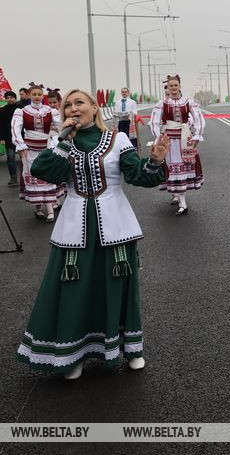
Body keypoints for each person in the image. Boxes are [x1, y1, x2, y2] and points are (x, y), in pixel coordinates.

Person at [16, 89, 168, 380]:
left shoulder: (117, 139)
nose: (73, 108)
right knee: (74, 289)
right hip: (74, 228)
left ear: (95, 108)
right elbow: (43, 170)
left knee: (117, 287)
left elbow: (137, 176)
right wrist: (64, 140)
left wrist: (155, 161)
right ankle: (72, 354)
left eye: (79, 103)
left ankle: (130, 349)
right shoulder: (61, 143)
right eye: (68, 105)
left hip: (115, 226)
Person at [148, 75, 205, 215]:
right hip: (169, 140)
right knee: (173, 169)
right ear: (167, 87)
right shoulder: (162, 103)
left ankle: (182, 202)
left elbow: (199, 118)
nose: (173, 88)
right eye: (171, 86)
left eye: (175, 85)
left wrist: (197, 135)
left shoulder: (188, 102)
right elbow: (154, 121)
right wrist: (158, 138)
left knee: (182, 168)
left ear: (179, 86)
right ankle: (181, 201)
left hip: (185, 139)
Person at [11, 84, 62, 221]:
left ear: (42, 95)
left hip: (46, 149)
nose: (37, 97)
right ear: (29, 95)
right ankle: (38, 208)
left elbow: (61, 127)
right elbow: (15, 129)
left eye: (39, 94)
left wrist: (60, 142)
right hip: (29, 150)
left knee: (46, 176)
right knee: (34, 177)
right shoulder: (22, 111)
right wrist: (20, 145)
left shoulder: (50, 111)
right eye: (34, 94)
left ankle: (50, 210)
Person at [1, 90, 20, 186]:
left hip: (21, 137)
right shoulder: (2, 110)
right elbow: (1, 125)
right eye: (7, 98)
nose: (9, 99)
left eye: (11, 97)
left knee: (24, 159)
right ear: (5, 99)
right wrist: (1, 137)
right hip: (9, 138)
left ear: (15, 98)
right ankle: (13, 178)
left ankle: (26, 178)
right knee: (10, 157)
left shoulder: (21, 108)